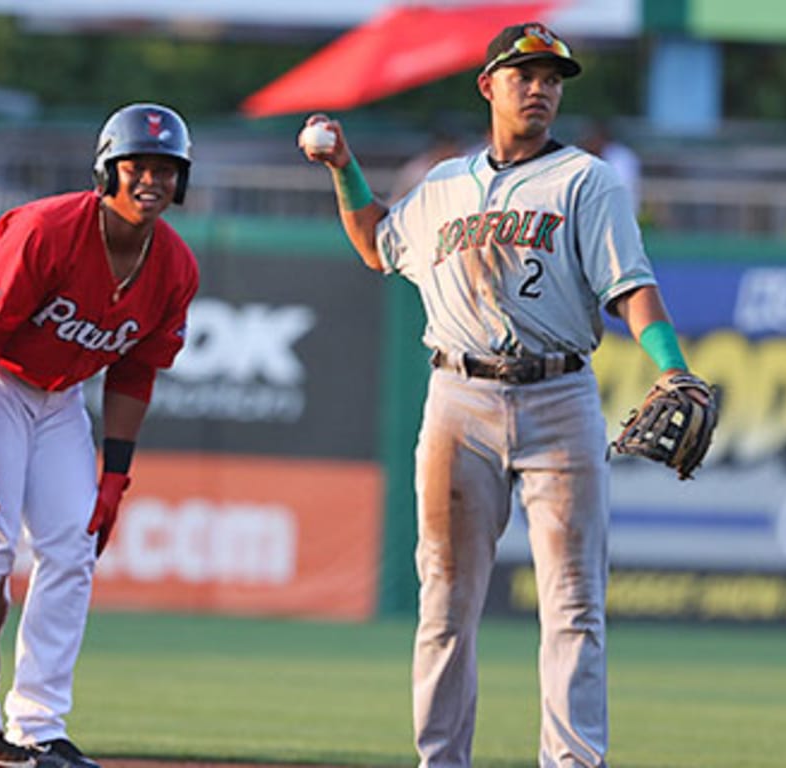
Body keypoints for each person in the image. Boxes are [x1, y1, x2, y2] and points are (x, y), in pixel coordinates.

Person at [298, 22, 711, 768]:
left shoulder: (587, 180)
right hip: (459, 399)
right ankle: (441, 761)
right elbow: (375, 246)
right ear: (487, 84)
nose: (541, 88)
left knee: (574, 604)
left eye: (553, 78)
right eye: (525, 74)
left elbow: (631, 288)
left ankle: (573, 762)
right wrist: (344, 166)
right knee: (446, 604)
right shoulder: (442, 186)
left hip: (560, 398)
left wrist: (671, 364)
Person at [0, 103, 200, 768]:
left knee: (72, 546)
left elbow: (134, 373)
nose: (150, 179)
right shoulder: (49, 230)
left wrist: (115, 474)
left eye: (165, 168)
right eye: (137, 165)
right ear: (108, 170)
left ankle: (39, 726)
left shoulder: (175, 268)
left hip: (56, 393)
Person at [578, 120, 641, 214]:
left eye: (591, 138)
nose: (588, 143)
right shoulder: (588, 157)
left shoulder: (621, 156)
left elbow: (619, 188)